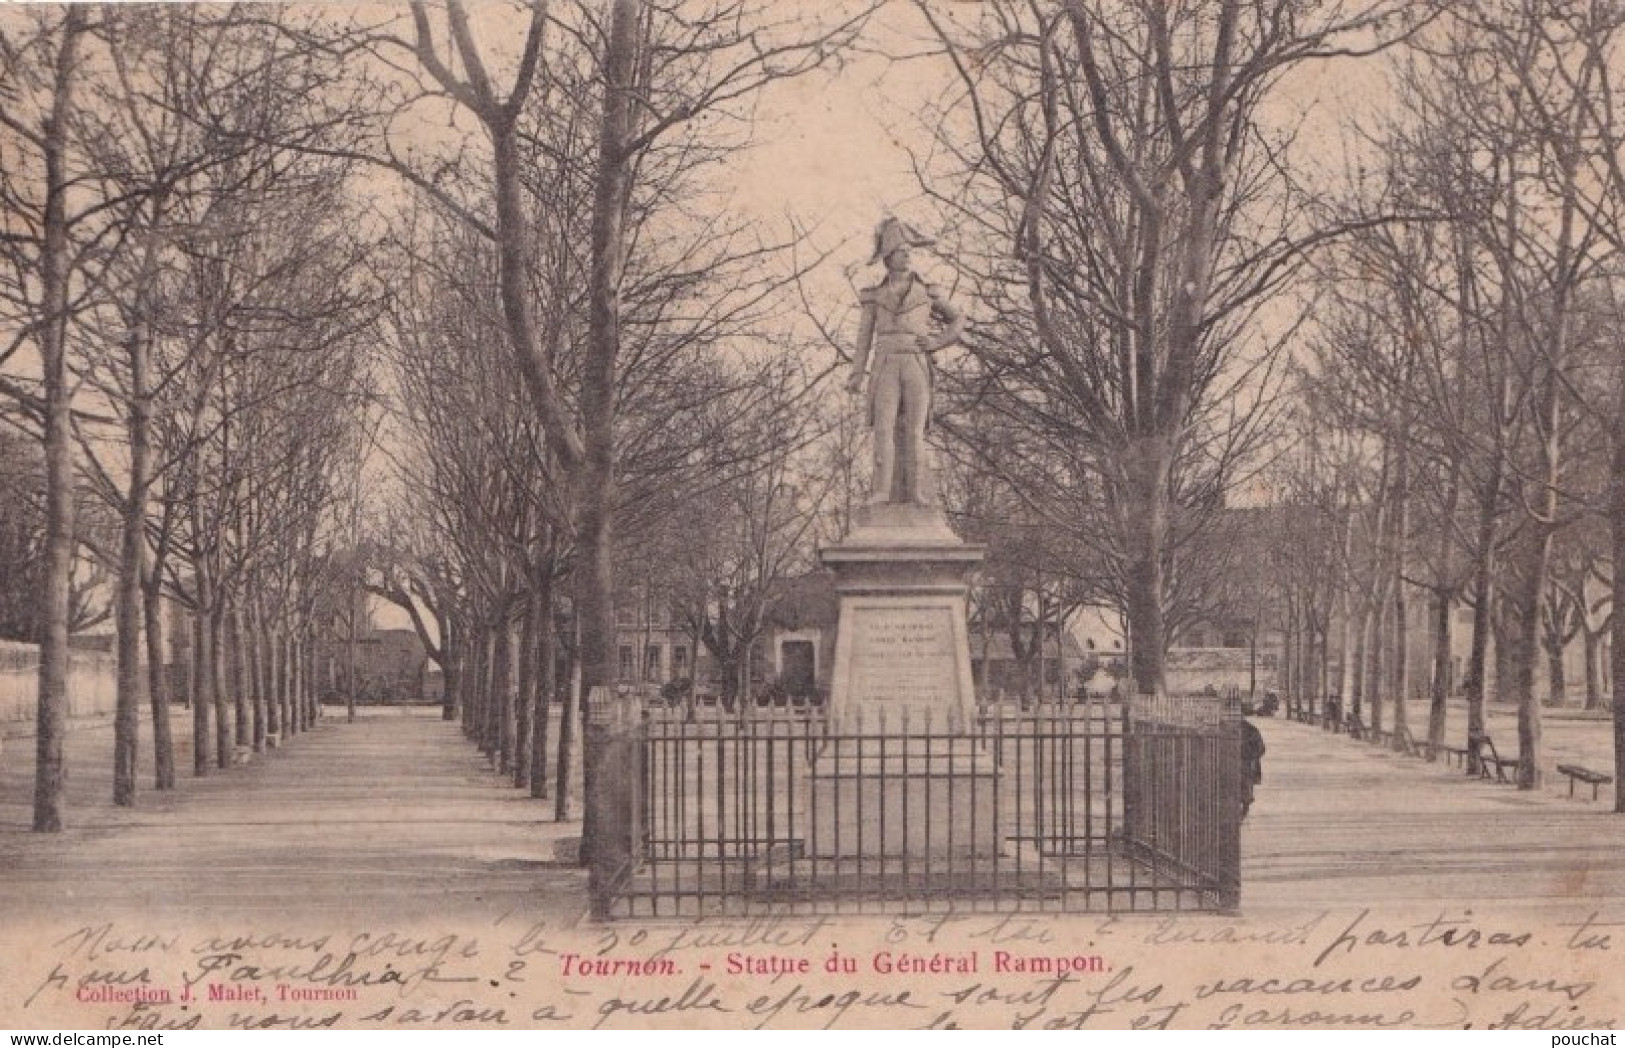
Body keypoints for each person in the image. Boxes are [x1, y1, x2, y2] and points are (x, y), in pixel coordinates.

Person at [846, 218, 965, 505]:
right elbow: (863, 338)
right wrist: (857, 373)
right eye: (901, 251)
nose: (908, 255)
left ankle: (916, 492)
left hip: (915, 362)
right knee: (884, 428)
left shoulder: (927, 291)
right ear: (888, 257)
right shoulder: (874, 296)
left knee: (915, 430)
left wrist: (936, 342)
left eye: (909, 250)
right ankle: (881, 492)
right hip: (885, 362)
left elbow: (959, 319)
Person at [1240, 717, 1265, 819]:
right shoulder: (1251, 729)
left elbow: (1261, 748)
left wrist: (1250, 755)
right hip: (1244, 764)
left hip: (1246, 764)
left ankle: (1245, 806)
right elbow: (1261, 748)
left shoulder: (1250, 729)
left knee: (1246, 784)